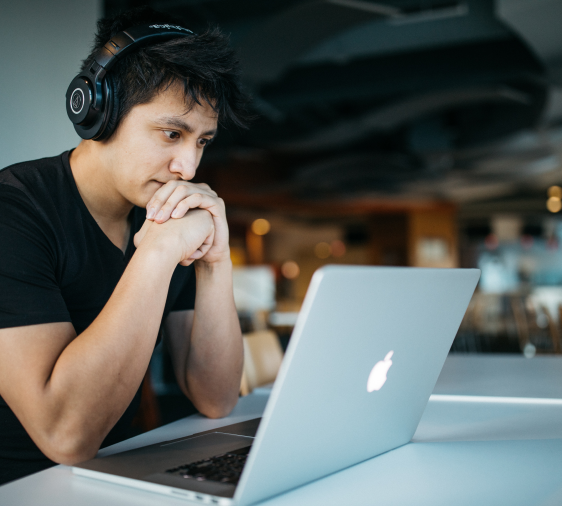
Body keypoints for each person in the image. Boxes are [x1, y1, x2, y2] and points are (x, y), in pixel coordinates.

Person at [0, 7, 248, 485]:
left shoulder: (164, 214)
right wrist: (155, 253)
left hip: (117, 477)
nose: (188, 167)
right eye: (172, 134)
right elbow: (64, 437)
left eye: (203, 142)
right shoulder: (15, 214)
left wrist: (216, 263)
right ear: (98, 111)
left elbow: (215, 397)